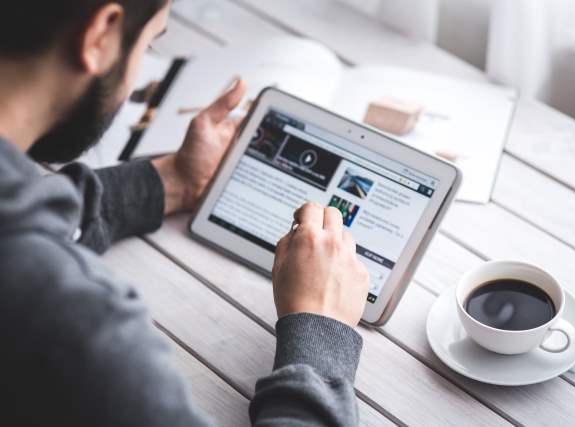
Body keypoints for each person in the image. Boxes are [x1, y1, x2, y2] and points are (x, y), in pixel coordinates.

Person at [0, 1, 370, 425]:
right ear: (102, 33)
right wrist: (319, 330)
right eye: (149, 43)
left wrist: (172, 180)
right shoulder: (78, 326)